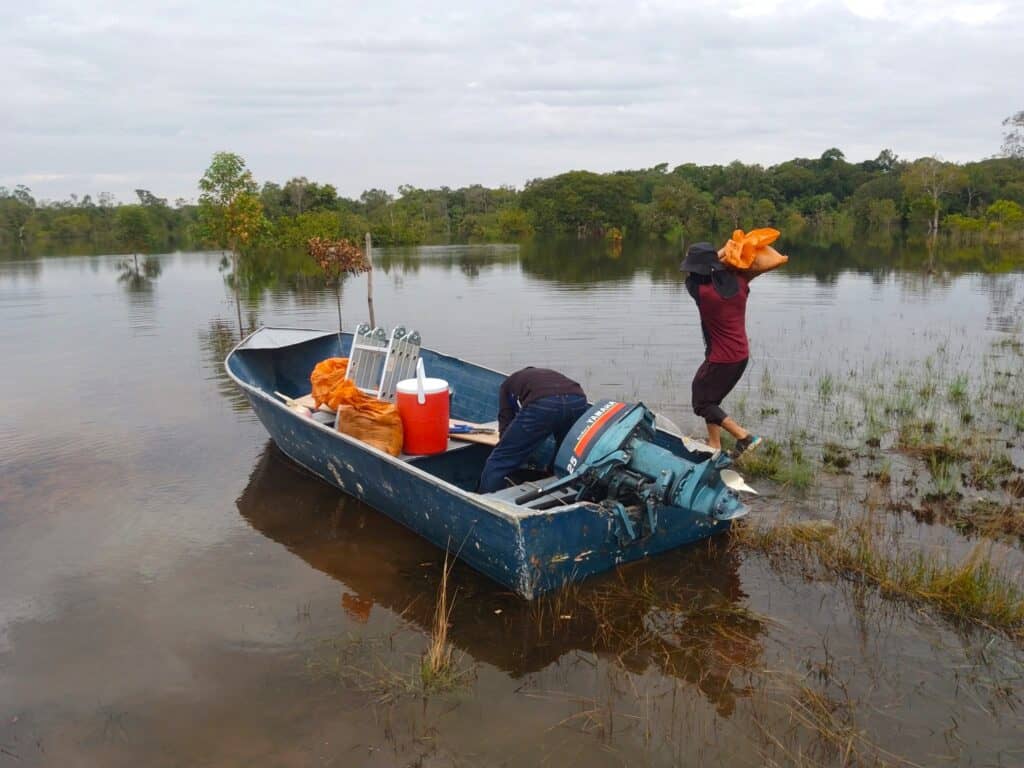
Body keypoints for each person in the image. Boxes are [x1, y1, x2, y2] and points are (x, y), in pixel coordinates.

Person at [680, 242, 764, 458]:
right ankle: (715, 445)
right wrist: (718, 260)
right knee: (712, 400)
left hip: (722, 358)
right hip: (740, 355)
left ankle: (744, 437)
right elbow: (720, 271)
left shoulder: (700, 291)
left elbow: (692, 276)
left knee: (701, 401)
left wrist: (717, 257)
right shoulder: (741, 283)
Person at [478, 367, 588, 493]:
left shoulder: (506, 386)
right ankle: (554, 485)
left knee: (499, 459)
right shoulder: (542, 376)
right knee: (565, 454)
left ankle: (485, 496)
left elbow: (505, 419)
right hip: (577, 399)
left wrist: (508, 446)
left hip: (545, 403)